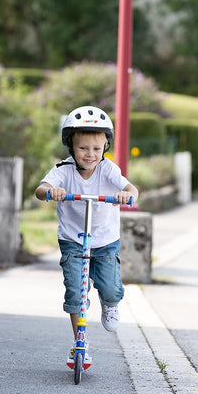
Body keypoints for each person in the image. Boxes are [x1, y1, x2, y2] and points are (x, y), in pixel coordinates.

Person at [35, 105, 139, 367]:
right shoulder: (63, 170)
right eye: (83, 148)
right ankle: (79, 341)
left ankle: (110, 303)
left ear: (105, 147)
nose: (90, 154)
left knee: (110, 289)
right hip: (73, 240)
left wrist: (127, 194)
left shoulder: (108, 170)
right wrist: (51, 191)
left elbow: (131, 188)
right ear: (71, 147)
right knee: (75, 292)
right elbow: (41, 188)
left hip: (104, 241)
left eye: (96, 148)